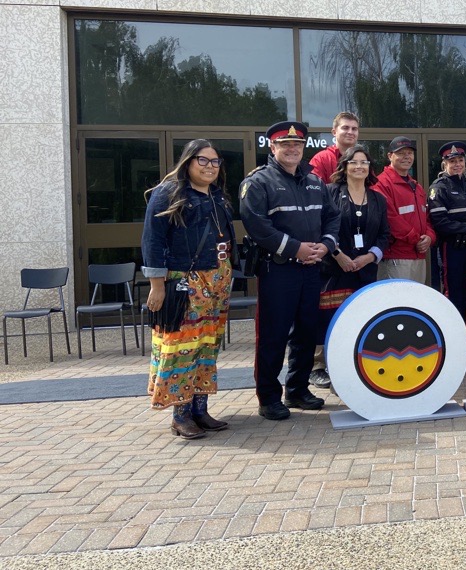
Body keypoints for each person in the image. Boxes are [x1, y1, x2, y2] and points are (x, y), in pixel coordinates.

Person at [240, 121, 340, 421]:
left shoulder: (314, 181)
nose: (292, 149)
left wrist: (326, 245)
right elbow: (257, 225)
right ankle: (268, 397)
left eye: (297, 145)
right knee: (273, 335)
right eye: (285, 145)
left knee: (307, 333)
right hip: (278, 270)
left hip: (312, 269)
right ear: (273, 148)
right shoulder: (258, 182)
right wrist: (294, 247)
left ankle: (297, 390)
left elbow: (332, 217)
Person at [142, 139, 234, 439]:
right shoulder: (167, 194)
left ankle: (199, 409)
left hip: (217, 282)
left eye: (215, 161)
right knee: (181, 349)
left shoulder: (218, 196)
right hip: (185, 283)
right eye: (203, 161)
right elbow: (152, 242)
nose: (210, 167)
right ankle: (180, 415)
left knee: (207, 347)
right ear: (188, 162)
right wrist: (157, 285)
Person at [311, 145, 391, 389]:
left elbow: (385, 235)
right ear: (344, 166)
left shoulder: (378, 198)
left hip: (365, 271)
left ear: (370, 168)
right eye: (354, 162)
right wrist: (338, 255)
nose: (359, 166)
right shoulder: (330, 192)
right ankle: (318, 367)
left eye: (364, 162)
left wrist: (369, 257)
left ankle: (352, 367)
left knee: (359, 320)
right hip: (334, 268)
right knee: (328, 319)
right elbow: (320, 228)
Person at [428, 141, 466, 321]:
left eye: (460, 160)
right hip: (450, 250)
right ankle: (451, 341)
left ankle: (462, 339)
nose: (457, 164)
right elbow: (440, 222)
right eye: (452, 161)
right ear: (445, 164)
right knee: (451, 296)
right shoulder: (439, 187)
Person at [372, 136, 435, 284]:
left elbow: (426, 218)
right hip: (396, 257)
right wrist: (416, 239)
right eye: (401, 153)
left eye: (410, 153)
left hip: (418, 256)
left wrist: (430, 237)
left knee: (414, 305)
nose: (407, 157)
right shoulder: (381, 184)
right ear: (390, 156)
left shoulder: (416, 186)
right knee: (396, 304)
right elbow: (390, 219)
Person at [309, 111, 360, 183]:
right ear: (334, 132)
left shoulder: (363, 159)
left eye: (354, 129)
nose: (350, 132)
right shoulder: (321, 159)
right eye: (345, 128)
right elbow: (314, 190)